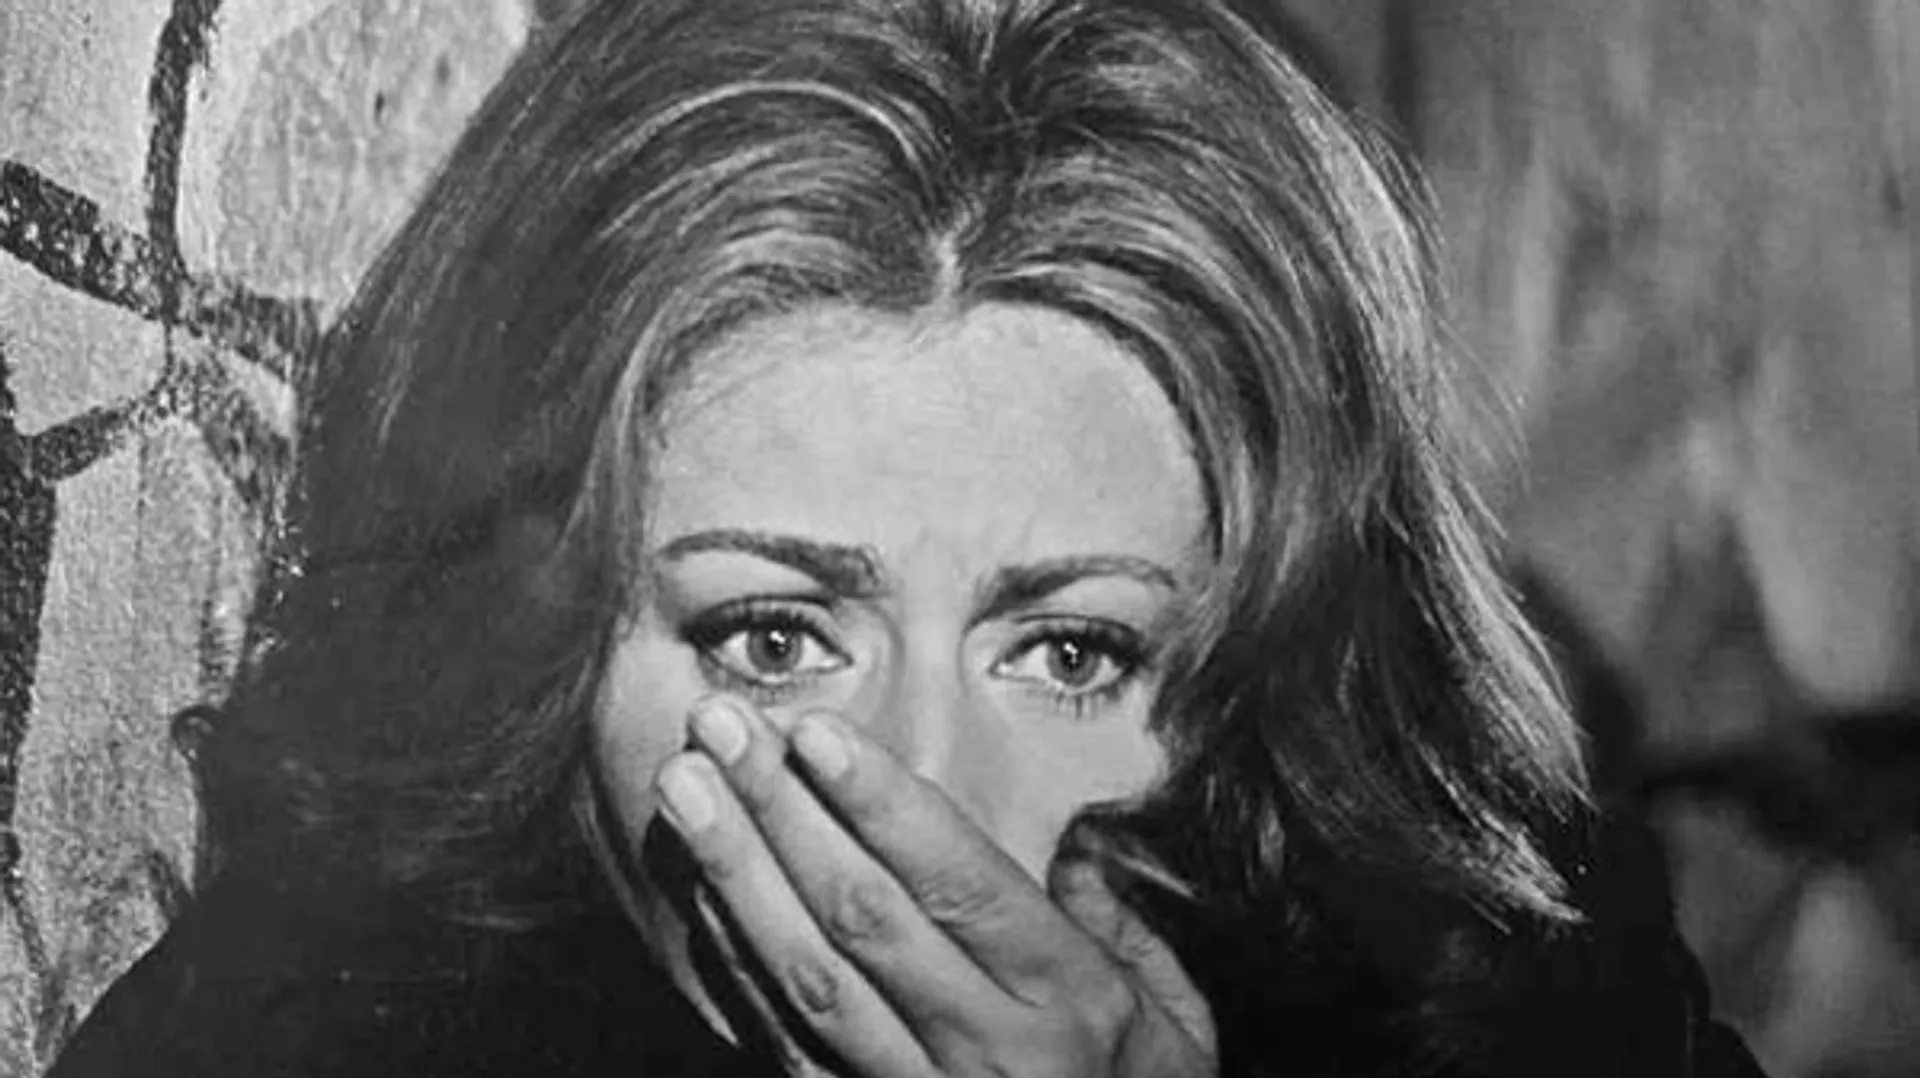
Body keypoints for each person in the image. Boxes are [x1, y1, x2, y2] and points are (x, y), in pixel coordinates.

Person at [49, 0, 1769, 1075]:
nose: (927, 795)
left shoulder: (1535, 998)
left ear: (1270, 695)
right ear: (537, 666)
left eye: (1072, 652)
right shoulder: (289, 1037)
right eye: (773, 638)